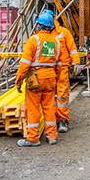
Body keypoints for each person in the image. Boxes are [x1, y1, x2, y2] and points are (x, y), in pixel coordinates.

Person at [15, 12, 61, 147]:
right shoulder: (56, 42)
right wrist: (56, 78)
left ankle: (33, 138)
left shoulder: (33, 40)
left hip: (36, 78)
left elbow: (24, 64)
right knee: (49, 107)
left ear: (39, 25)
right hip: (50, 77)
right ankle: (52, 136)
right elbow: (59, 64)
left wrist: (19, 80)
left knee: (33, 108)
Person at [42, 9, 81, 133]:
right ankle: (53, 119)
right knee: (50, 96)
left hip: (62, 69)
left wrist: (76, 62)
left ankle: (63, 119)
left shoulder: (64, 32)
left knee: (62, 95)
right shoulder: (44, 35)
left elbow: (72, 48)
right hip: (49, 69)